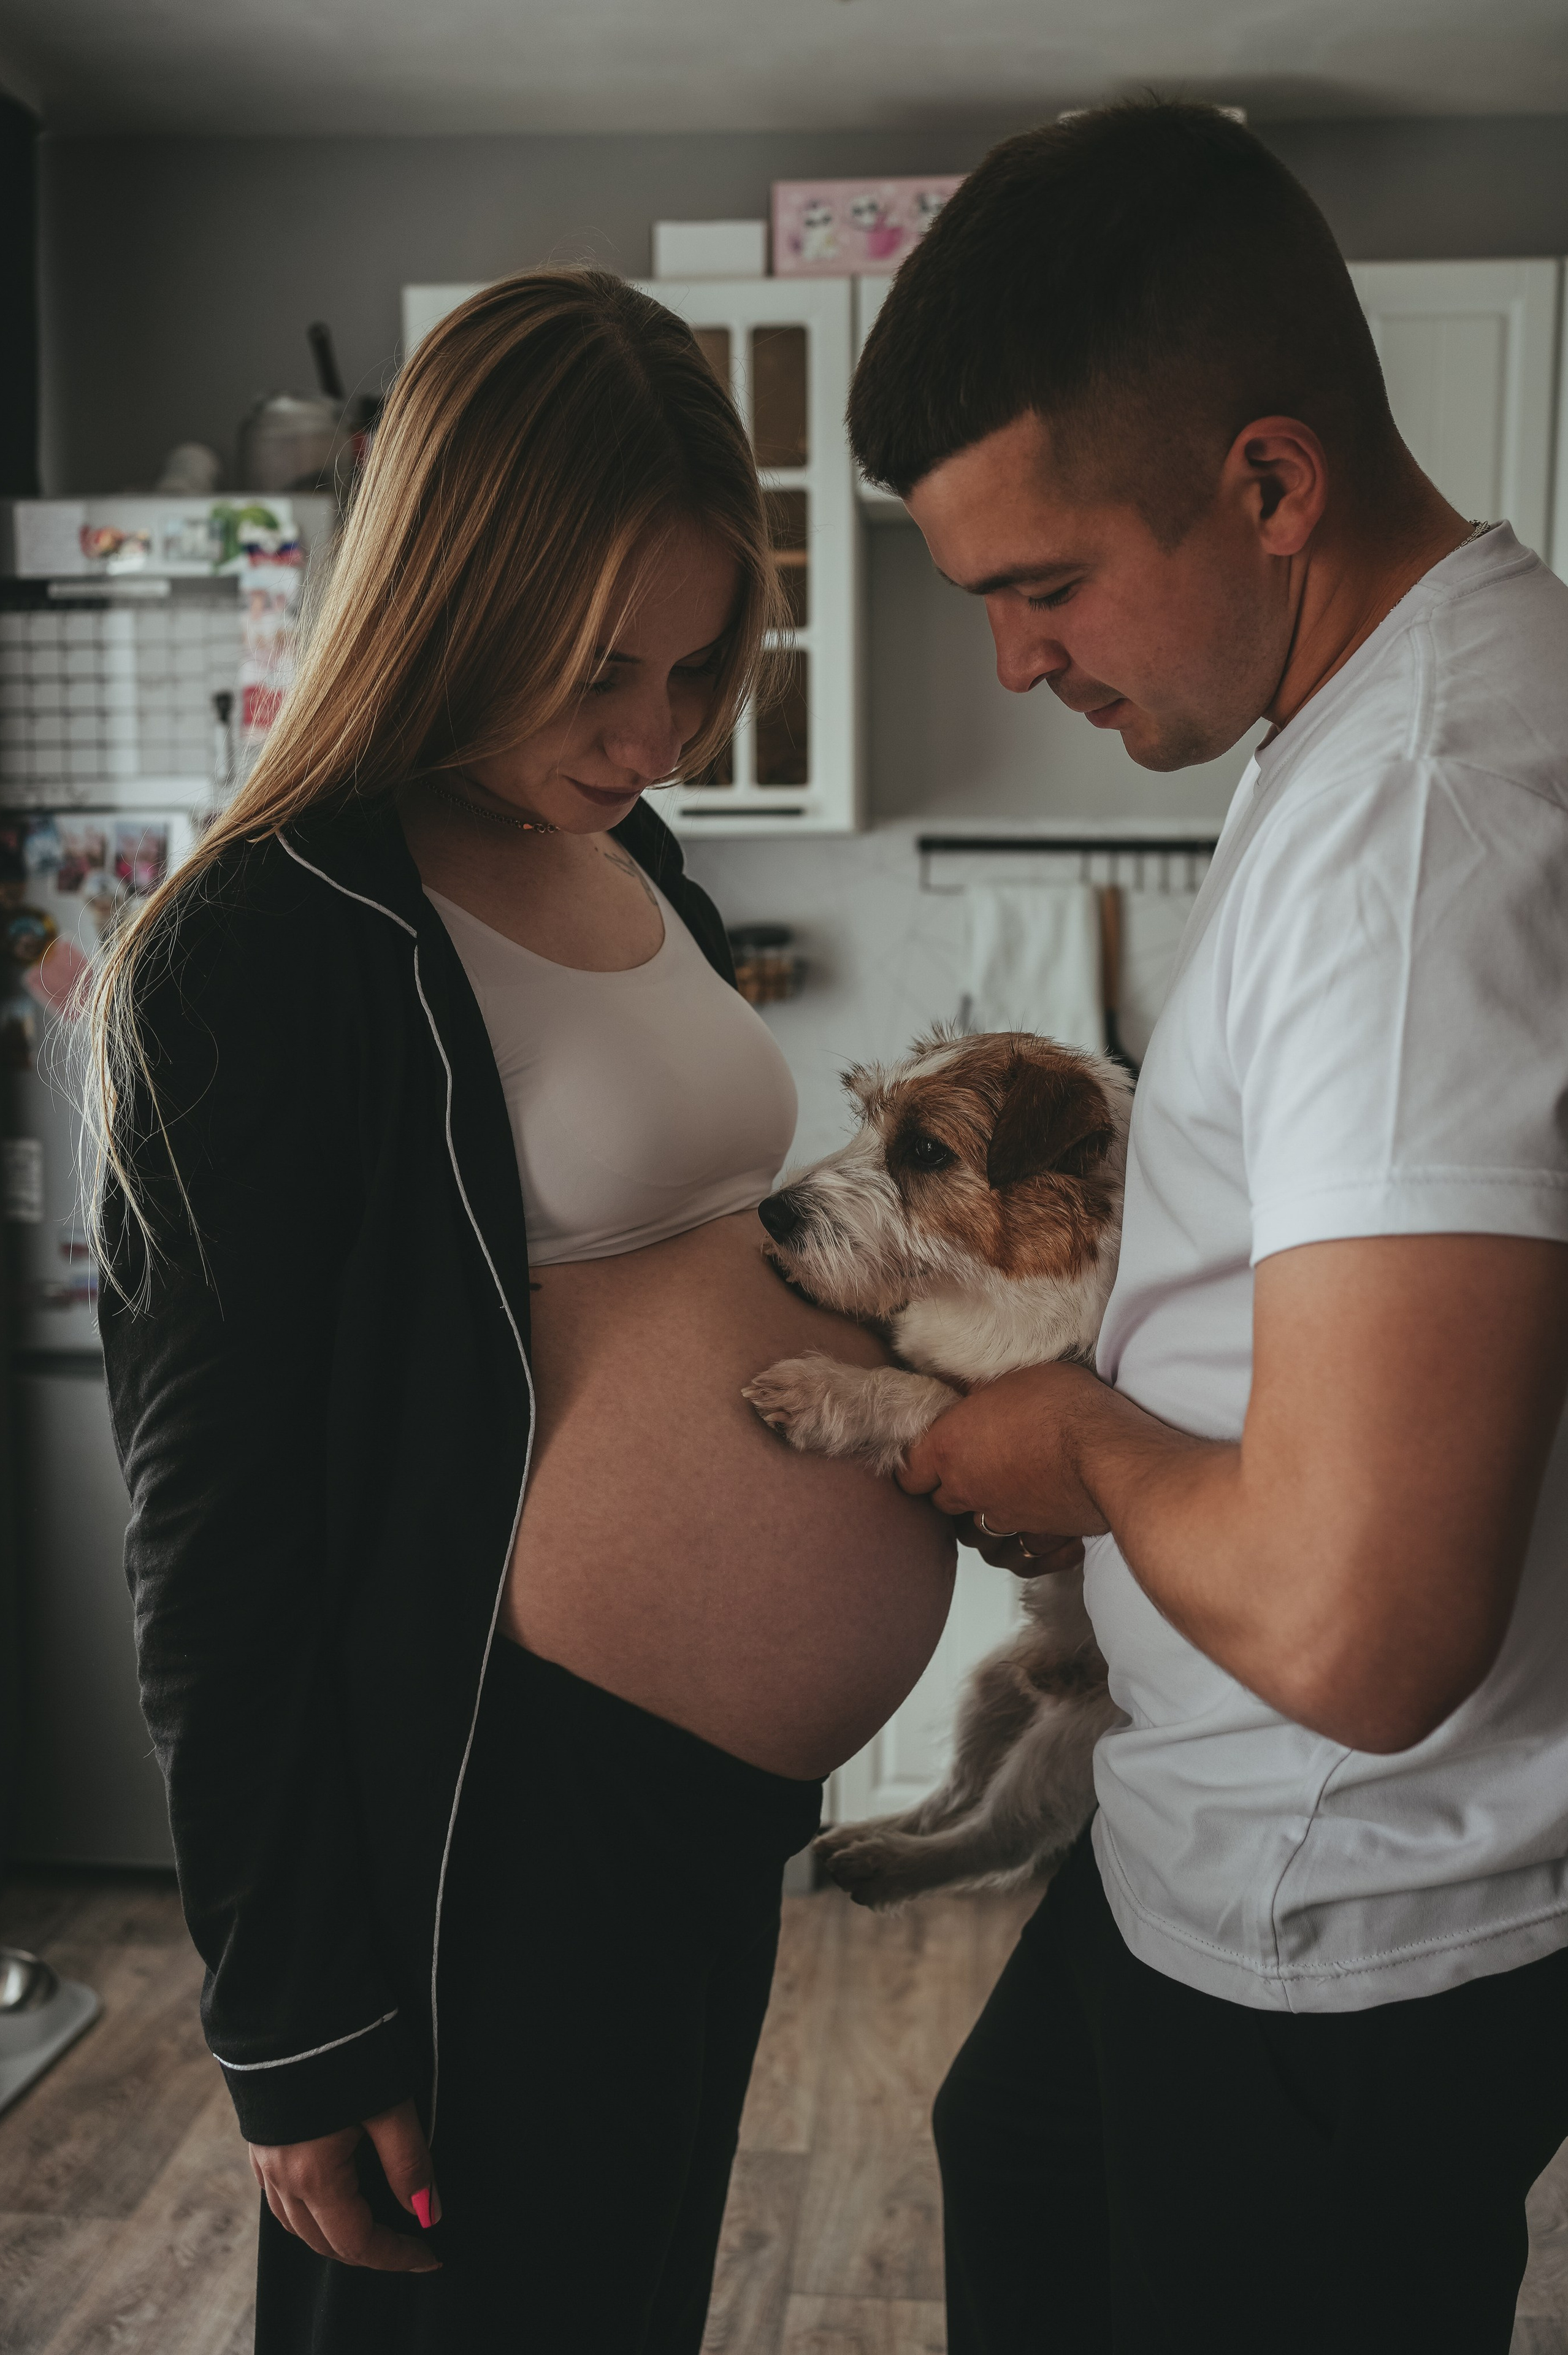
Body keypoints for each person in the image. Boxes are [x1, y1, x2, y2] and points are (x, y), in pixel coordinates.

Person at [89, 268, 955, 2354]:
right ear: (446, 601)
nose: (653, 735)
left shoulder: (641, 850)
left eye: (690, 667)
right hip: (490, 1833)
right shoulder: (267, 948)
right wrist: (294, 2024)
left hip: (693, 1818)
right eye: (594, 673)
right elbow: (219, 1541)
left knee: (617, 2308)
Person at [848, 101, 1568, 2354]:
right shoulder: (1381, 717)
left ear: (1269, 484)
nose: (1011, 666)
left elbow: (1367, 1625)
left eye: (1042, 587)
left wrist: (1077, 1446)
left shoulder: (1414, 833)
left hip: (1333, 1891)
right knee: (1017, 2154)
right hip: (1243, 1837)